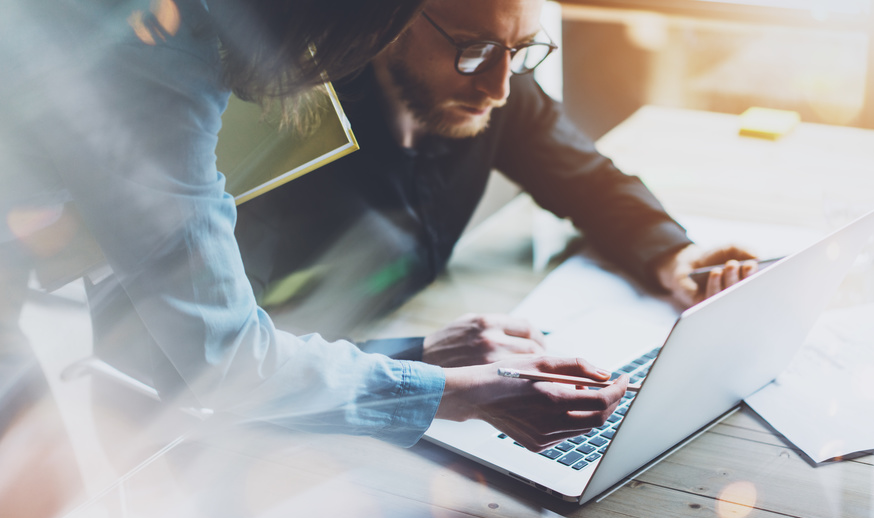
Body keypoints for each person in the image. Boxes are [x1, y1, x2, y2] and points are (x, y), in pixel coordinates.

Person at [1, 0, 628, 462]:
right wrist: (447, 390)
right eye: (472, 48)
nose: (497, 85)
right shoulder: (163, 61)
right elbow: (211, 356)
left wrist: (422, 364)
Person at [233, 0, 760, 366]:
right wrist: (420, 356)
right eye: (474, 49)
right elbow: (228, 355)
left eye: (521, 49)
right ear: (387, 20)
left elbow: (587, 180)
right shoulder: (282, 148)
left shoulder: (489, 86)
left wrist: (672, 256)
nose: (501, 87)